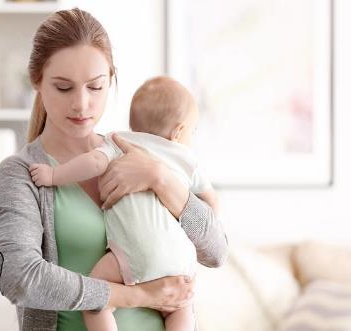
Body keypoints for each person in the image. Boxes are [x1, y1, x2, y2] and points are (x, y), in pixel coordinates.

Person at [0, 8, 229, 331]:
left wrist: (159, 178)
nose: (81, 104)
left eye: (96, 87)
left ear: (111, 81)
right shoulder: (21, 173)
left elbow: (215, 252)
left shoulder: (138, 154)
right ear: (38, 82)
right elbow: (19, 277)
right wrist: (138, 295)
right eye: (64, 88)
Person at [29, 76, 219, 331]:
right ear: (178, 132)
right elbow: (211, 207)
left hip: (135, 251)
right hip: (178, 257)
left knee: (96, 294)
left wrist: (54, 175)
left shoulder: (118, 144)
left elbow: (93, 164)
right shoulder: (187, 159)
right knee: (181, 307)